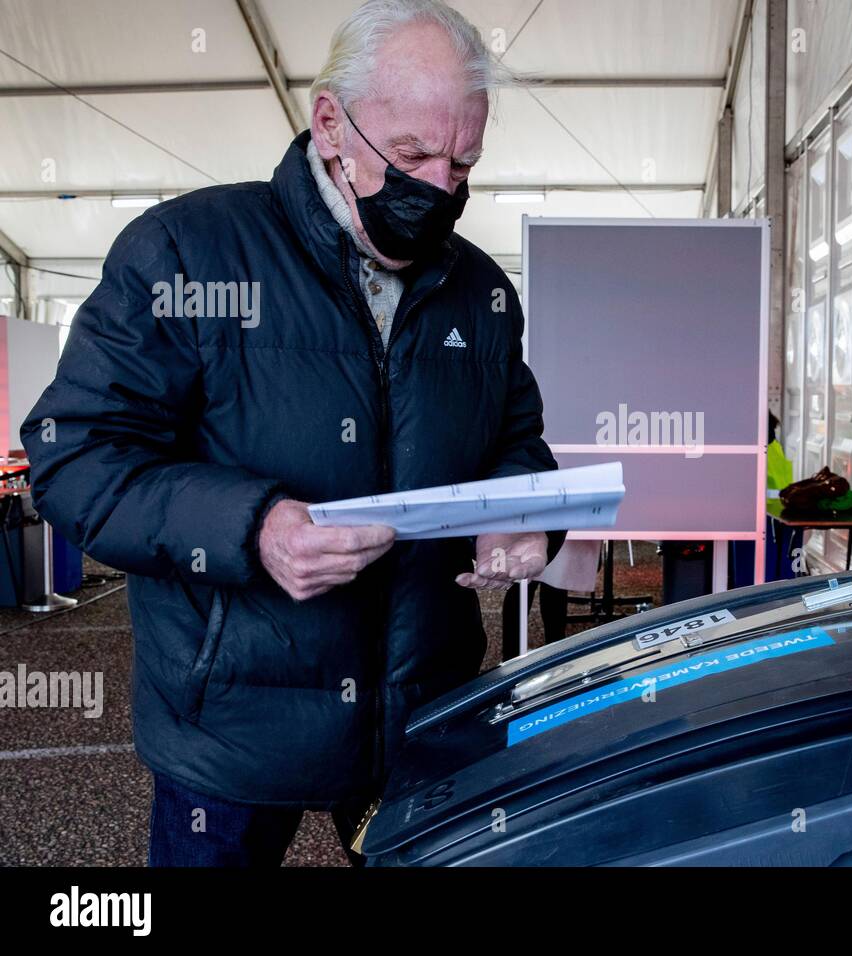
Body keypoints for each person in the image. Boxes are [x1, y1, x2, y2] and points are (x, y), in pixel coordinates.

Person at [21, 0, 562, 866]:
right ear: (329, 121)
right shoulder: (187, 253)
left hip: (421, 715)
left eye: (464, 163)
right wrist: (253, 528)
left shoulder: (480, 291)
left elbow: (518, 443)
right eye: (414, 155)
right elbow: (75, 454)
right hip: (233, 729)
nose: (440, 189)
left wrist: (523, 514)